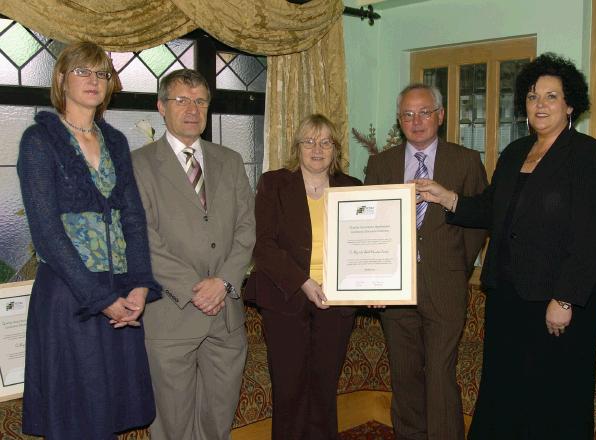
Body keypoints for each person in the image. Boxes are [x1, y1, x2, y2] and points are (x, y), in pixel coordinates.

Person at [414, 53, 596, 439]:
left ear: (570, 104)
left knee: (554, 403)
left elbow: (590, 234)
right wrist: (447, 197)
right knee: (505, 399)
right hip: (508, 298)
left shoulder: (586, 155)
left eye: (551, 97)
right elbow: (492, 207)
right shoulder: (514, 153)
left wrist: (566, 298)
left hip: (556, 304)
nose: (540, 105)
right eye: (533, 96)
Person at [17, 42, 161, 439]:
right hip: (69, 298)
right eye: (82, 71)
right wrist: (100, 299)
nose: (94, 81)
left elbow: (133, 218)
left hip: (119, 293)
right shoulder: (38, 140)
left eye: (102, 74)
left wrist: (139, 285)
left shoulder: (115, 141)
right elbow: (46, 234)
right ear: (61, 79)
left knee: (108, 414)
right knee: (78, 417)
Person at [131, 68, 255, 440]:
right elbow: (142, 237)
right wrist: (194, 289)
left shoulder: (230, 161)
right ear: (161, 107)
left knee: (218, 421)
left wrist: (224, 282)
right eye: (181, 100)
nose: (192, 108)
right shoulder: (138, 165)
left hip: (226, 316)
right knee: (171, 425)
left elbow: (247, 229)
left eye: (200, 100)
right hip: (171, 314)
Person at [364, 84, 488, 440]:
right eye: (407, 114)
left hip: (445, 285)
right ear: (399, 119)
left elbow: (478, 223)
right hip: (394, 289)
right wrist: (374, 277)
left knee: (439, 373)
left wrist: (455, 266)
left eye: (424, 112)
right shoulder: (381, 163)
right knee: (404, 375)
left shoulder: (465, 160)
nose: (416, 121)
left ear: (441, 116)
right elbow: (371, 223)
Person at [244, 114, 361, 440]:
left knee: (324, 388)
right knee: (289, 388)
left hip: (337, 303)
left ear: (335, 149)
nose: (317, 148)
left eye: (325, 142)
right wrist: (304, 283)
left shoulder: (352, 188)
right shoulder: (274, 183)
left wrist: (375, 283)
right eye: (309, 141)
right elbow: (262, 244)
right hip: (285, 300)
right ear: (297, 147)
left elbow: (364, 244)